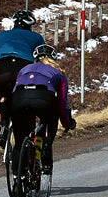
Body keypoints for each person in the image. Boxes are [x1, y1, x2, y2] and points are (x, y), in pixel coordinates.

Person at [6, 44, 75, 174]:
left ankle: (17, 180)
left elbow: (16, 88)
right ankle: (46, 148)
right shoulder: (59, 73)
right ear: (53, 60)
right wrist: (67, 122)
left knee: (20, 140)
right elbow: (62, 104)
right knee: (51, 117)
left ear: (35, 59)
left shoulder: (24, 69)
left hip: (19, 98)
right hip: (44, 98)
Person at [0, 10, 43, 141]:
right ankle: (28, 129)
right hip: (24, 68)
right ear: (30, 25)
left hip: (2, 69)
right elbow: (42, 62)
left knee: (4, 94)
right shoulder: (36, 37)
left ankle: (4, 124)